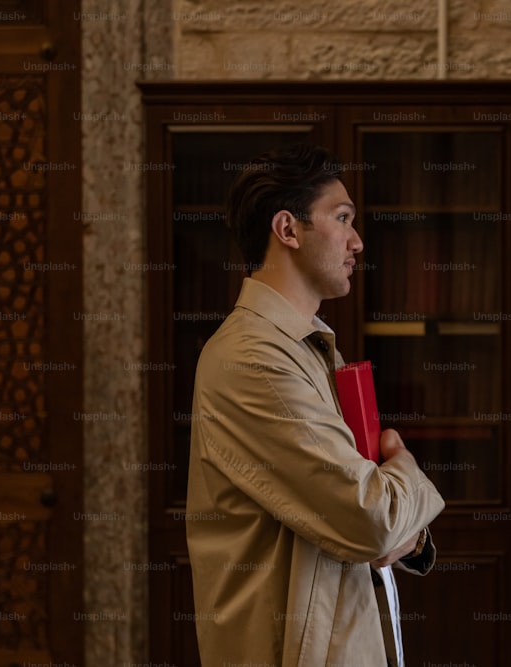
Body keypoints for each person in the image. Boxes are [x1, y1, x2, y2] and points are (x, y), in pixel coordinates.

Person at [186, 143, 446, 666]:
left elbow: (367, 521)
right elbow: (370, 517)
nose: (357, 241)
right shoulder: (253, 359)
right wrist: (407, 471)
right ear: (288, 229)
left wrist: (407, 532)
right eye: (343, 218)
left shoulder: (309, 347)